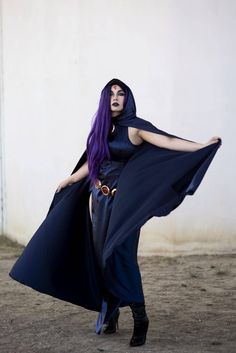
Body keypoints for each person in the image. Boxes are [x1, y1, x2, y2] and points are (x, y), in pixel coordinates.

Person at [9, 78, 222, 347]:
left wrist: (201, 146)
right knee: (102, 258)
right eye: (111, 94)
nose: (116, 98)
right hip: (99, 201)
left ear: (127, 98)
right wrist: (71, 179)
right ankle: (110, 312)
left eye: (121, 93)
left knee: (121, 257)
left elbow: (167, 141)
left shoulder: (134, 128)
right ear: (104, 99)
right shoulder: (101, 131)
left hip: (124, 205)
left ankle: (140, 318)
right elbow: (93, 162)